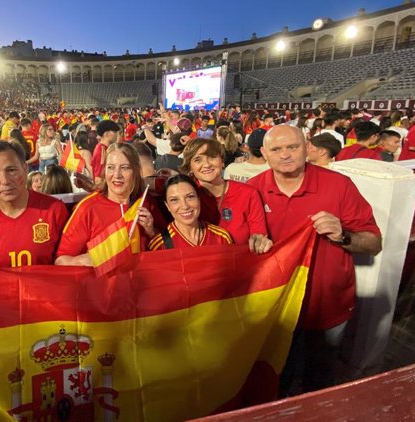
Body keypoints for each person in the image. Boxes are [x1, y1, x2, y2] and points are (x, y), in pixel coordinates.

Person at [248, 125, 382, 393]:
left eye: (292, 147)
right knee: (276, 377)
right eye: (276, 149)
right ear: (264, 153)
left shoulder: (338, 185)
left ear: (307, 147)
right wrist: (251, 243)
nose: (285, 155)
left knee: (319, 378)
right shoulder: (252, 190)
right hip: (277, 308)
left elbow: (374, 243)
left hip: (327, 304)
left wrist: (343, 235)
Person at [0, 140, 69, 268]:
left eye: (11, 170)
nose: (5, 181)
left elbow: (66, 265)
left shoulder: (54, 210)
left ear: (25, 168)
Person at [56, 143, 162, 266]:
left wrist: (152, 231)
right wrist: (81, 261)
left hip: (139, 283)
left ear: (136, 170)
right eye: (111, 167)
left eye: (125, 167)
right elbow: (60, 260)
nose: (117, 175)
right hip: (101, 284)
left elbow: (165, 248)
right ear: (104, 170)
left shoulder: (145, 201)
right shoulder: (88, 208)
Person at [179, 138, 270, 248]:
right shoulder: (183, 197)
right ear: (190, 167)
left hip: (239, 262)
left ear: (222, 162)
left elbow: (259, 237)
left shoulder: (248, 194)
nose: (207, 164)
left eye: (212, 157)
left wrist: (260, 242)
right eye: (198, 160)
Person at [149, 175, 242, 250]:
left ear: (199, 199)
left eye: (190, 197)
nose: (185, 206)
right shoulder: (159, 246)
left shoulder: (222, 238)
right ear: (167, 206)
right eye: (174, 200)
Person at [90, 119, 120, 184]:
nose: (117, 135)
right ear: (106, 134)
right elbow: (98, 179)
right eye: (115, 132)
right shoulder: (102, 151)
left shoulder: (103, 148)